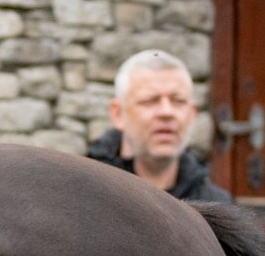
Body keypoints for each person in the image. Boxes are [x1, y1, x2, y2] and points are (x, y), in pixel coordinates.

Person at [86, 49, 230, 203]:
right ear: (118, 114)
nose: (166, 112)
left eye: (178, 100)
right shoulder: (90, 195)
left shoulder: (214, 205)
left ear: (192, 114)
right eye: (150, 100)